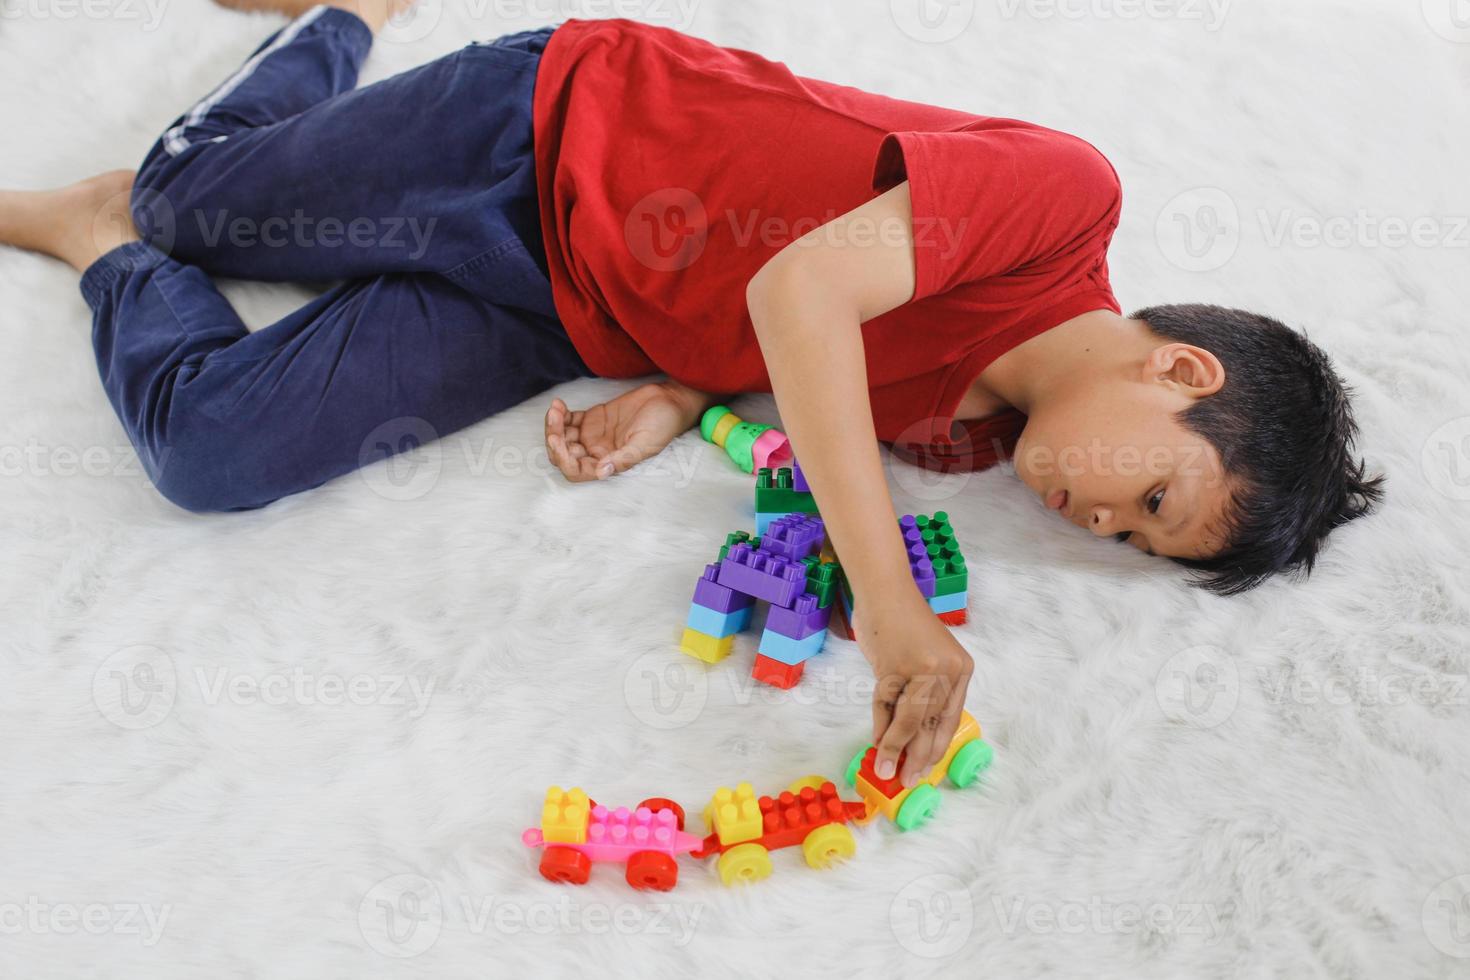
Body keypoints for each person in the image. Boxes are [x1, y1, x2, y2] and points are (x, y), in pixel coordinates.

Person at [0, 3, 1382, 788]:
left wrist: (668, 391)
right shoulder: (1056, 202)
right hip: (546, 122)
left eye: (1130, 542)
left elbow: (788, 362)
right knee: (193, 196)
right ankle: (339, 19)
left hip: (560, 303)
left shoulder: (963, 444)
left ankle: (95, 235)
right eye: (1151, 494)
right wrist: (886, 606)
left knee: (210, 451)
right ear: (1179, 372)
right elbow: (799, 296)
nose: (1101, 520)